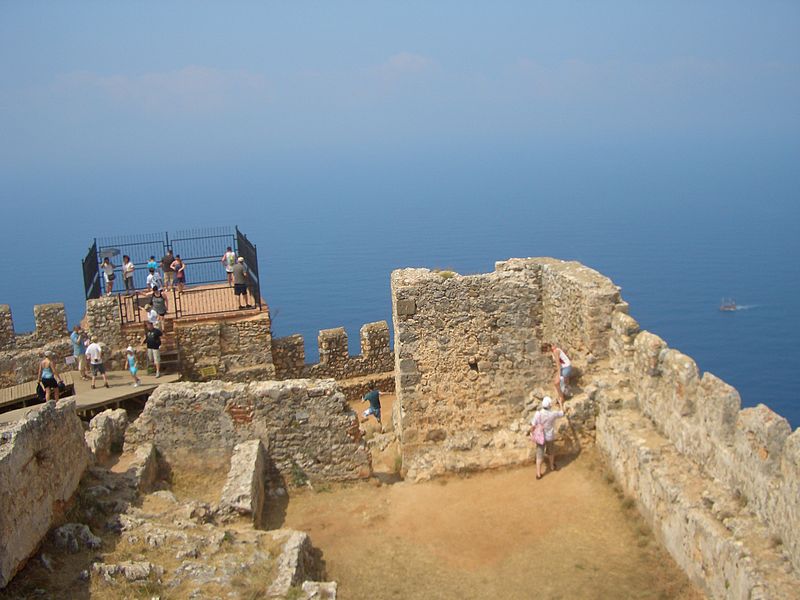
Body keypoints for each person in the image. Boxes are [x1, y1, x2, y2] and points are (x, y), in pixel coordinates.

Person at [530, 395, 565, 479]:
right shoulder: (552, 414)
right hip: (549, 436)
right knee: (551, 452)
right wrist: (560, 403)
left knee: (539, 455)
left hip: (540, 437)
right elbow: (562, 413)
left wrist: (532, 433)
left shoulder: (538, 413)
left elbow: (533, 425)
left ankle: (538, 474)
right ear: (549, 405)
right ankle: (552, 466)